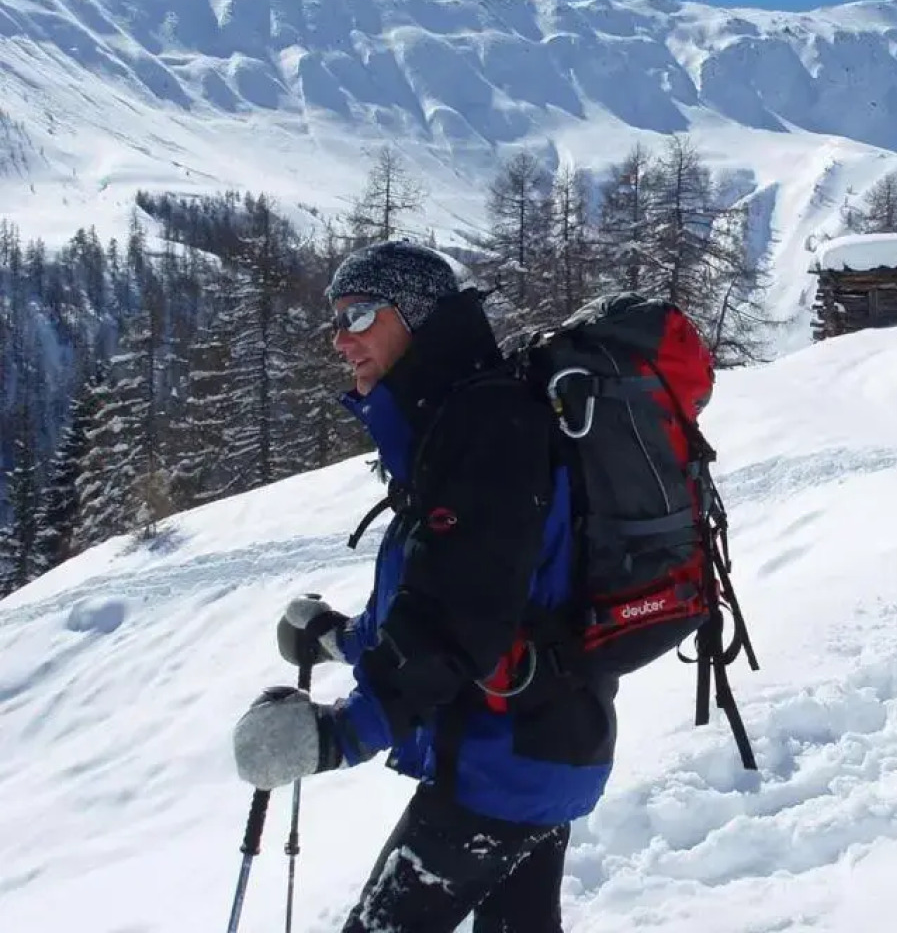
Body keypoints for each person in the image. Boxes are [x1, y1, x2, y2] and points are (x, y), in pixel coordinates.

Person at [231, 239, 618, 932]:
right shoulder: (456, 421)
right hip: (540, 744)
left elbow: (461, 621)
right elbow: (460, 594)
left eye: (356, 316)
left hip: (504, 760)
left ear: (412, 317)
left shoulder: (487, 427)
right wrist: (340, 640)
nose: (339, 340)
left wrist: (339, 735)